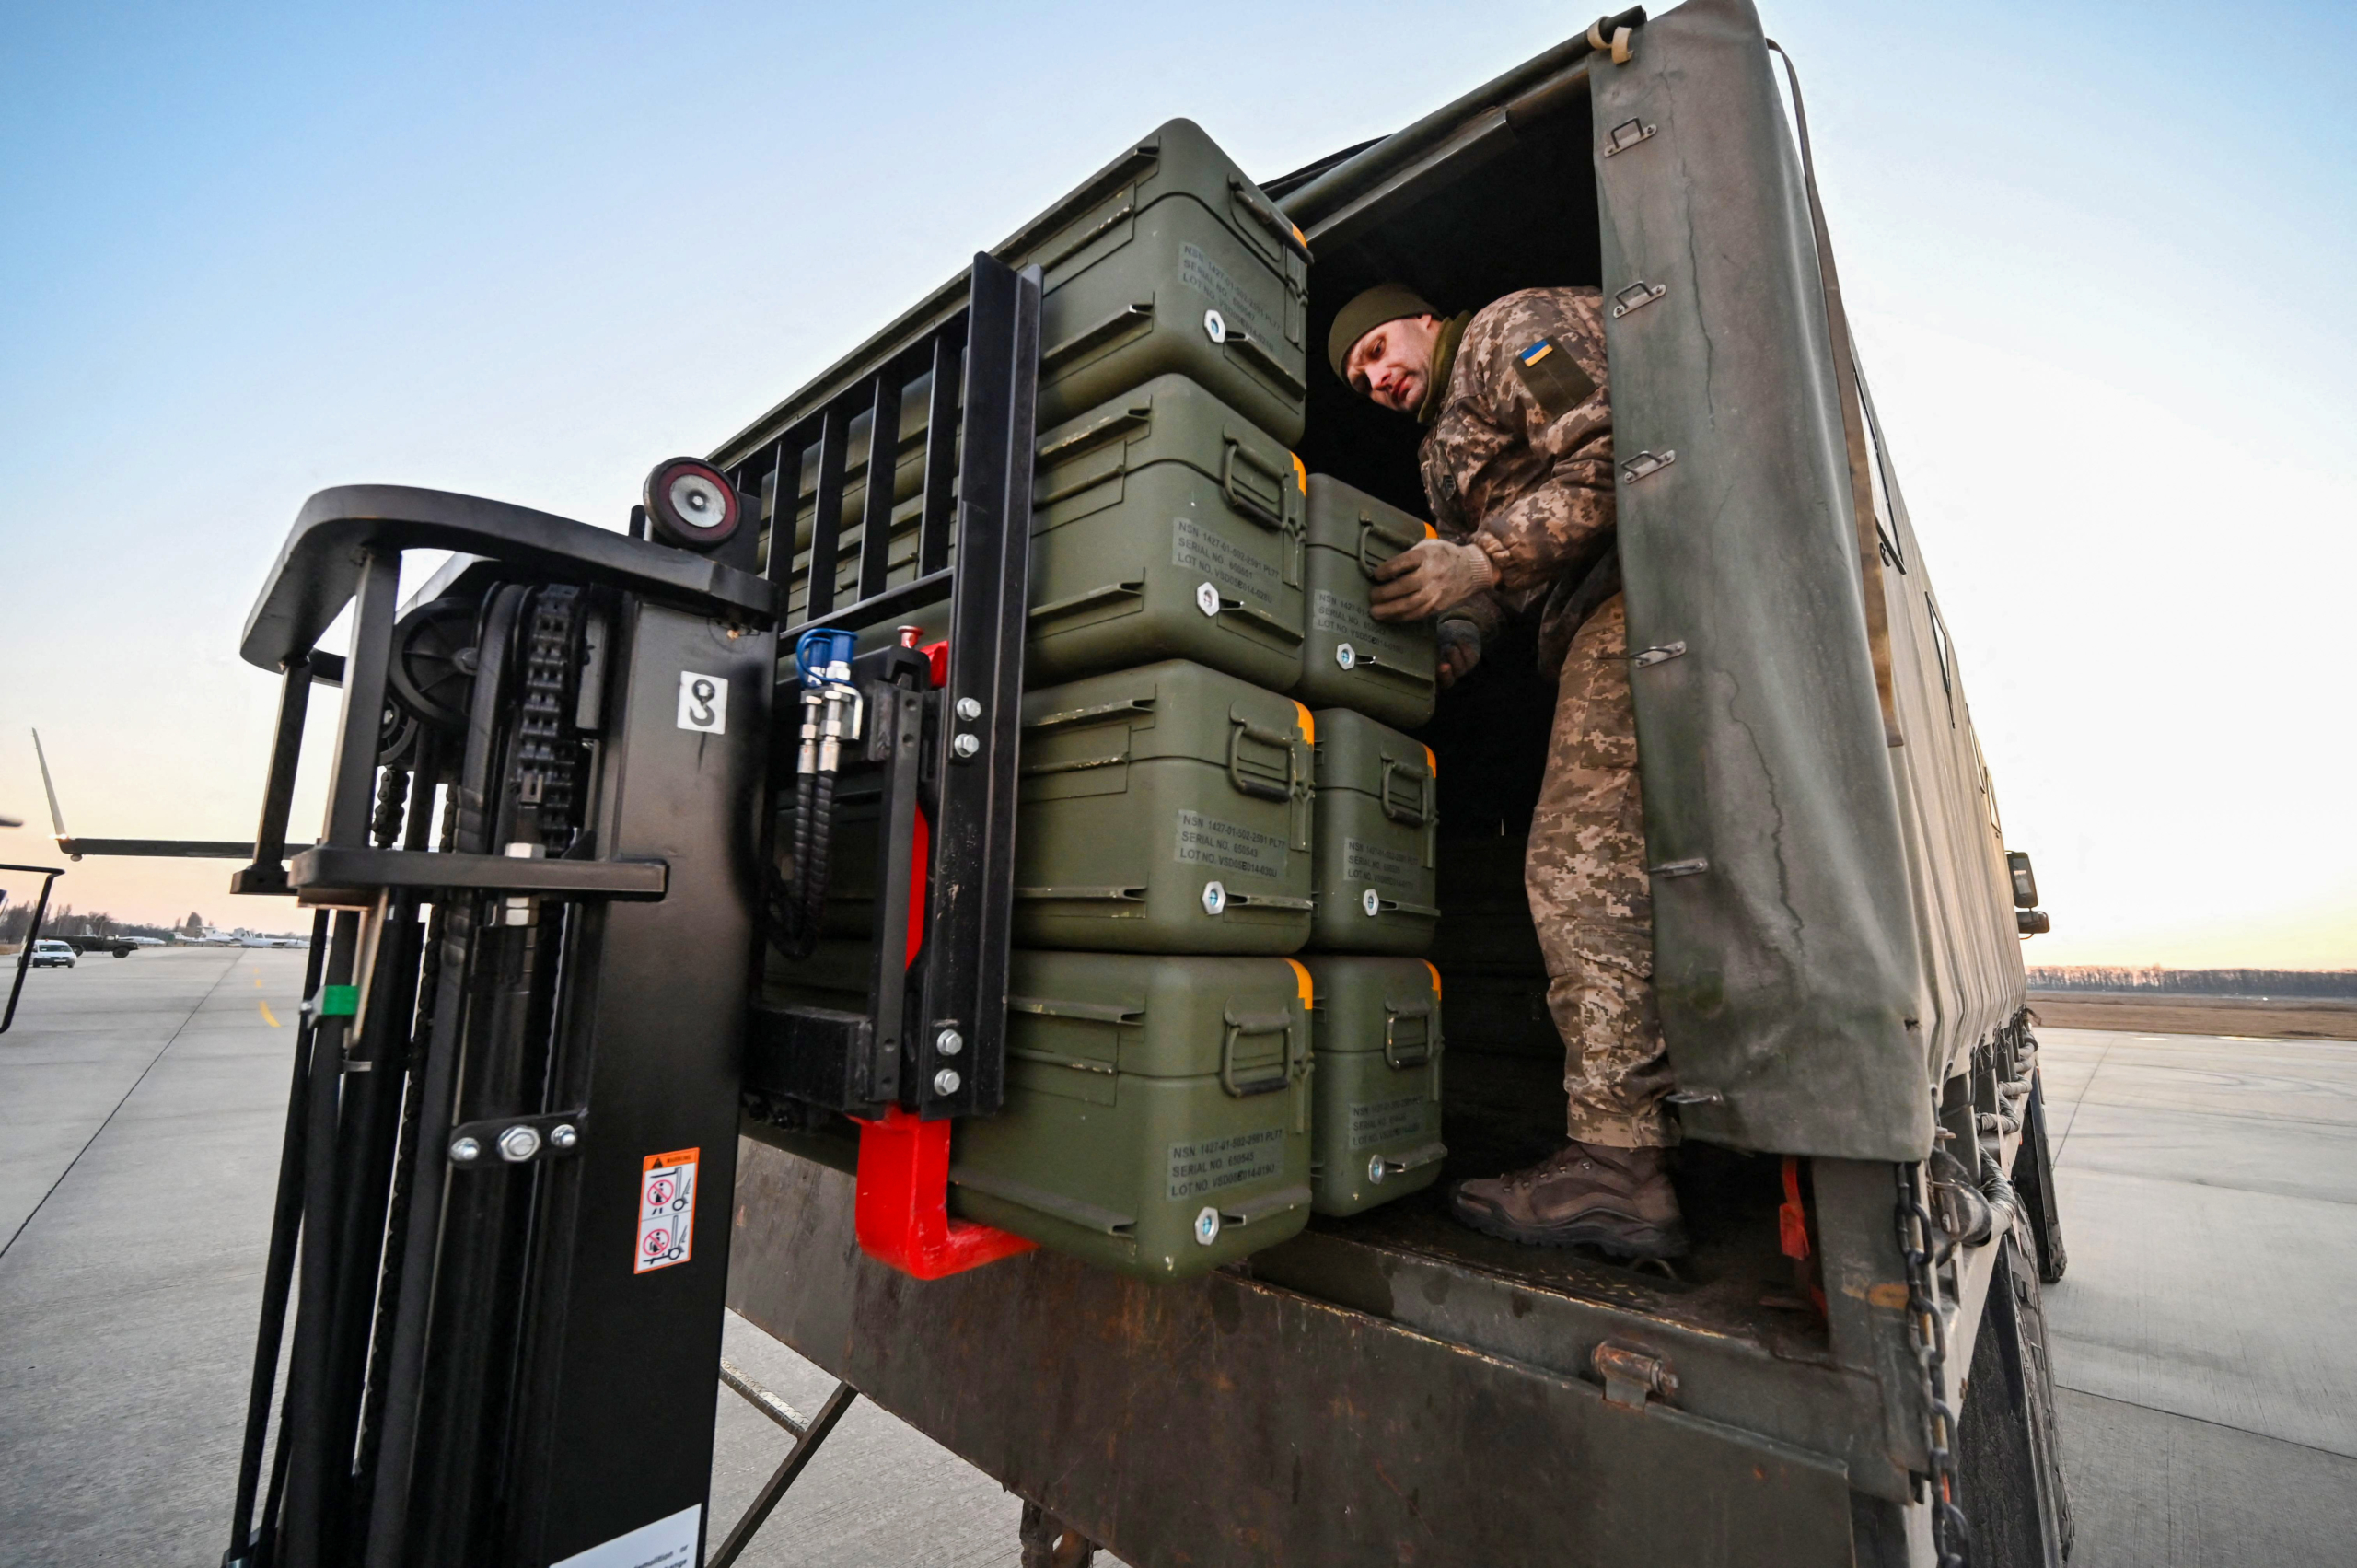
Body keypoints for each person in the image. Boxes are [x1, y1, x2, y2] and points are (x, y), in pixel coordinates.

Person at [1330, 282, 1686, 1260]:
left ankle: (1619, 1166)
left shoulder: (1509, 333)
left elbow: (1620, 451)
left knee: (1574, 863)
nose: (1374, 375)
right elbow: (1496, 581)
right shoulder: (1437, 452)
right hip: (1584, 617)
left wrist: (1478, 559)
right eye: (1358, 374)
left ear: (1425, 320)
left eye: (1378, 346)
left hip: (1644, 588)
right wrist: (1460, 631)